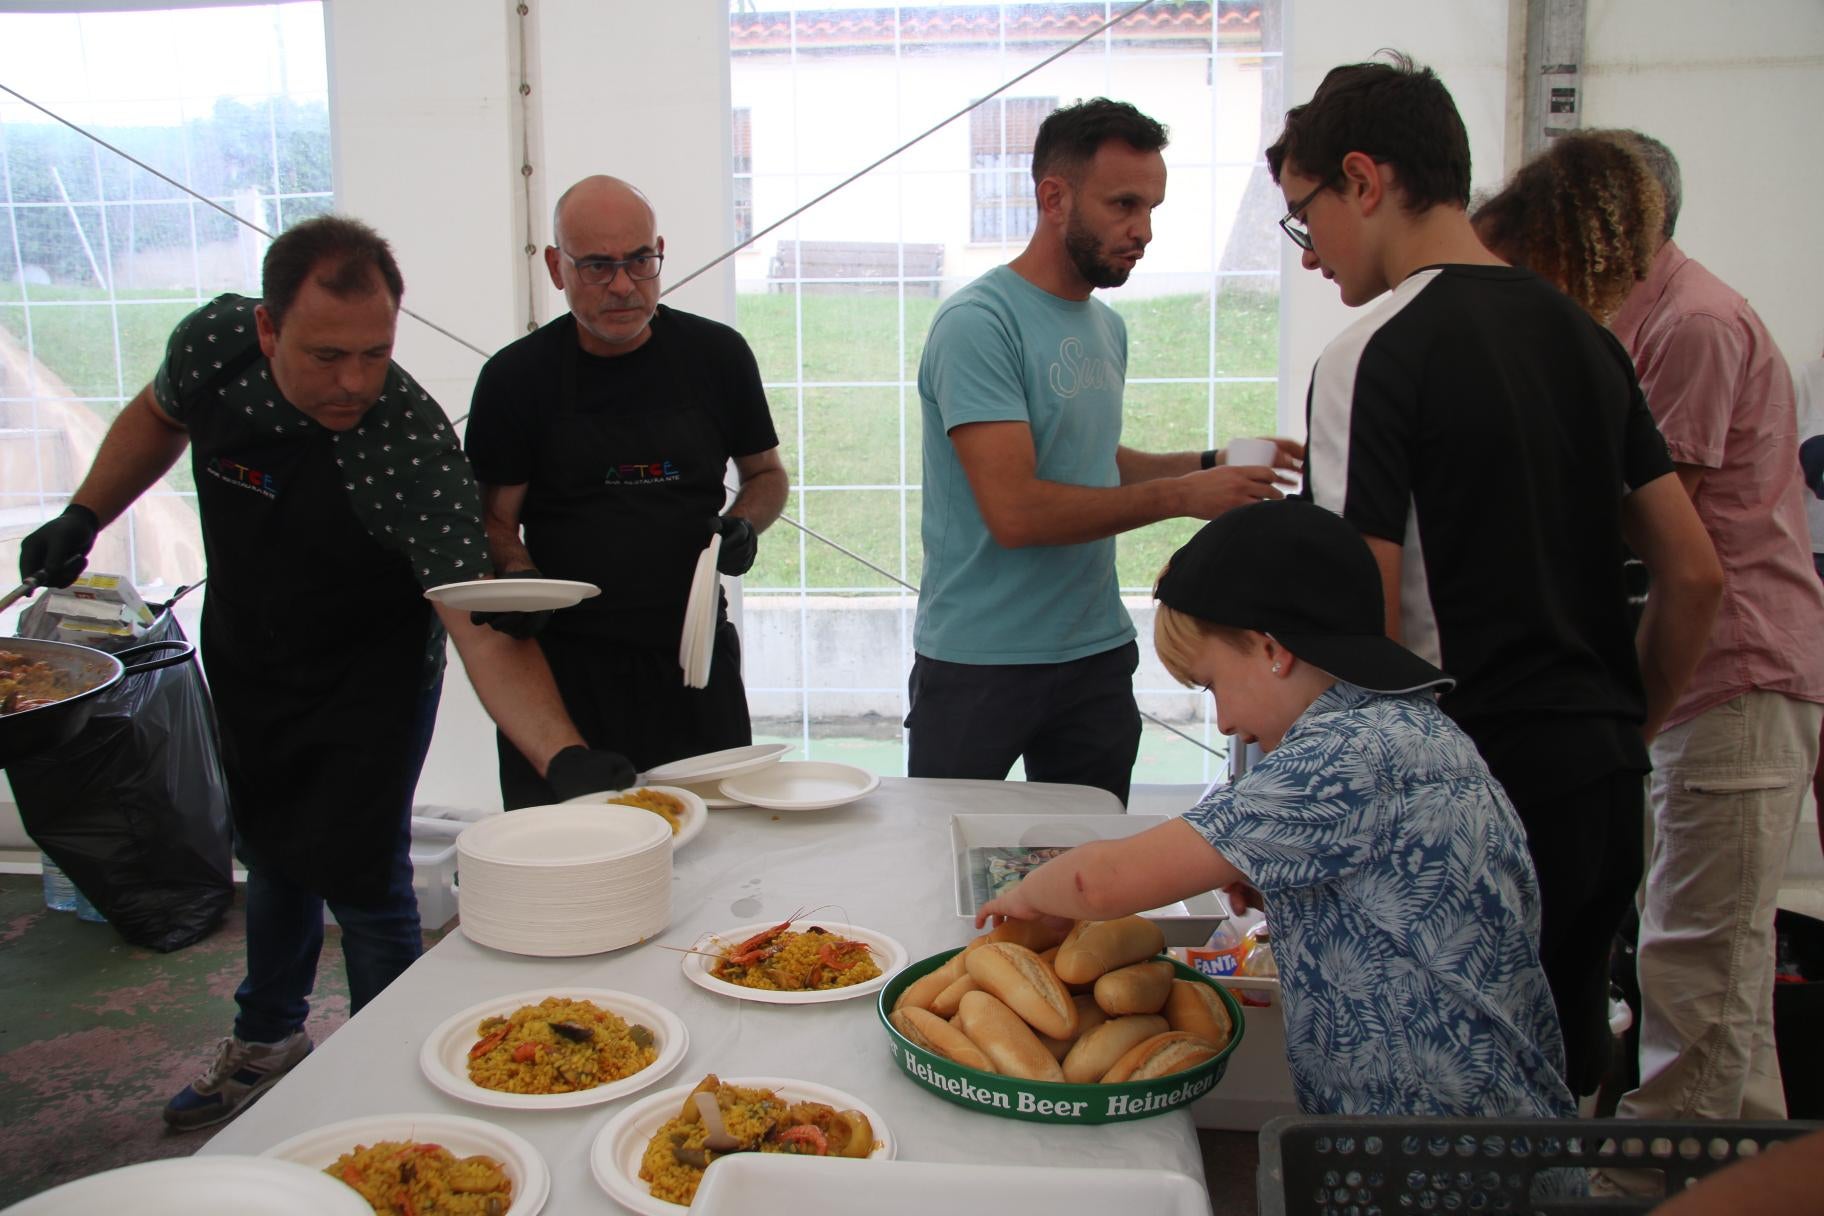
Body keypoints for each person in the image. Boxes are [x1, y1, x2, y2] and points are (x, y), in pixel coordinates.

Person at [18, 216, 635, 1130]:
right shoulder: (214, 345)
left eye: (375, 353)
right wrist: (87, 511)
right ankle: (270, 1040)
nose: (354, 381)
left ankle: (387, 1083)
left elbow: (477, 623)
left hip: (370, 680)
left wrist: (563, 756)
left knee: (365, 873)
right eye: (326, 355)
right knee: (270, 850)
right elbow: (160, 415)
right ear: (268, 330)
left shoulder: (408, 444)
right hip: (250, 653)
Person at [1267, 55, 1722, 1098]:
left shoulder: (1373, 351)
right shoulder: (1587, 338)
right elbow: (1694, 574)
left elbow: (1360, 616)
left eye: (1305, 217)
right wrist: (1622, 727)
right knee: (1555, 1080)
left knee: (1436, 1105)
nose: (1309, 254)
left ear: (1364, 179)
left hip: (1462, 790)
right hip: (1600, 781)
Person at [977, 499, 1576, 1119]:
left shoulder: (1341, 758)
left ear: (1272, 649)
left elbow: (1099, 883)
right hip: (1494, 1119)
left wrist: (1026, 895)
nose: (1227, 720)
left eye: (1213, 685)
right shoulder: (1408, 729)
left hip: (1435, 1144)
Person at [1486, 130, 1824, 1123]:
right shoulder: (1636, 319)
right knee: (1710, 966)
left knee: (1696, 957)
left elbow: (1655, 535)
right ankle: (1727, 1166)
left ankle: (1656, 1171)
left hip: (1736, 674)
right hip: (1694, 677)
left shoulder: (1694, 325)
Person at [911, 97, 1301, 806]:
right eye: (1124, 204)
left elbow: (1089, 460)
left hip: (1092, 654)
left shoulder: (1105, 327)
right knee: (943, 868)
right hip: (980, 664)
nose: (1143, 230)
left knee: (1088, 871)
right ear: (1053, 198)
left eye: (1152, 208)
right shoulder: (979, 324)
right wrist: (1183, 498)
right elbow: (1018, 511)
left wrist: (1208, 465)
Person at [464, 176, 787, 809]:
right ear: (558, 268)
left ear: (660, 253)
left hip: (692, 658)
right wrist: (518, 575)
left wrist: (743, 524)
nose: (622, 285)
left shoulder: (717, 357)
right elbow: (494, 521)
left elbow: (767, 476)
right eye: (597, 266)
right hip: (563, 670)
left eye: (640, 261)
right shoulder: (515, 379)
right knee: (574, 863)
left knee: (722, 848)